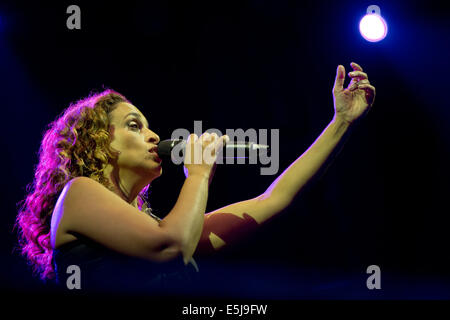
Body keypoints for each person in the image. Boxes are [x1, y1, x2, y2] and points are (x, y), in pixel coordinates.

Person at [15, 62, 375, 296]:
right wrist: (199, 172)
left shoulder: (161, 226)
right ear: (95, 144)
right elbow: (170, 246)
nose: (154, 136)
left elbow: (273, 200)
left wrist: (340, 122)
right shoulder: (78, 194)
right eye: (134, 126)